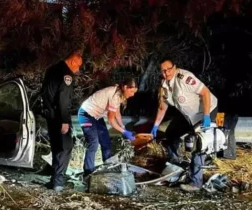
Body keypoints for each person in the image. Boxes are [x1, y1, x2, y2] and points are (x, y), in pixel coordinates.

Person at [150, 58, 218, 190]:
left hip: (205, 110)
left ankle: (195, 183)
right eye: (163, 71)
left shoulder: (185, 78)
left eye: (168, 69)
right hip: (188, 115)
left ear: (174, 67)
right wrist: (156, 125)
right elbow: (162, 107)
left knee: (200, 144)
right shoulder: (164, 85)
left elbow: (205, 93)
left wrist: (206, 116)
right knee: (171, 133)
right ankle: (176, 167)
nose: (166, 73)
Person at [41, 51, 83, 191]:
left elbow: (46, 93)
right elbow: (63, 100)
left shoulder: (52, 69)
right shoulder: (66, 75)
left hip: (50, 114)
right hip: (59, 117)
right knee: (65, 148)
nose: (78, 70)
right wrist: (65, 121)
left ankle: (54, 180)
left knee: (56, 147)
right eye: (78, 66)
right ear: (72, 62)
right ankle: (58, 182)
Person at [78, 78, 138, 177]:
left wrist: (123, 126)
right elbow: (111, 120)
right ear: (125, 87)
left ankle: (109, 167)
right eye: (131, 91)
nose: (132, 94)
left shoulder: (120, 94)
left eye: (134, 92)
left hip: (97, 116)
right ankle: (88, 172)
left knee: (106, 142)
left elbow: (117, 113)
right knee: (93, 143)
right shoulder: (114, 95)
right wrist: (123, 132)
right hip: (86, 114)